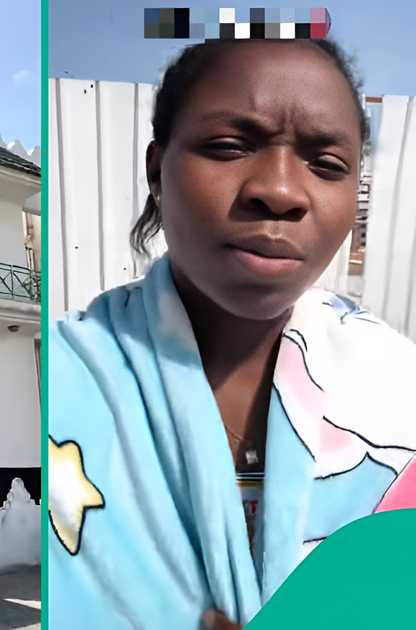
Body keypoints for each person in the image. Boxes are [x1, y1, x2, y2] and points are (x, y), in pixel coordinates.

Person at [47, 37, 416, 630]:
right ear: (156, 170)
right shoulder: (62, 380)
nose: (280, 190)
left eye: (326, 165)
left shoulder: (400, 391)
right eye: (227, 147)